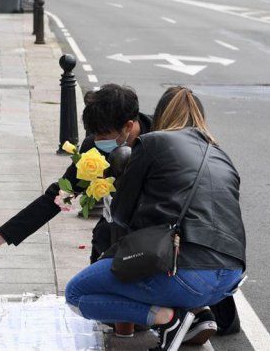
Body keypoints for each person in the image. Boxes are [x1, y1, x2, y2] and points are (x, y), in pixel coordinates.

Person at [64, 86, 246, 350]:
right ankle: (194, 315)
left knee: (77, 294)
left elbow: (121, 218)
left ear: (160, 116)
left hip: (186, 272)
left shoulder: (153, 142)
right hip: (230, 279)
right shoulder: (221, 155)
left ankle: (169, 318)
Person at [0, 84, 153, 264]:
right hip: (110, 239)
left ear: (128, 126)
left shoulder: (160, 142)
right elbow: (59, 197)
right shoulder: (92, 149)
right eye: (94, 134)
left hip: (152, 241)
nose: (97, 141)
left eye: (103, 135)